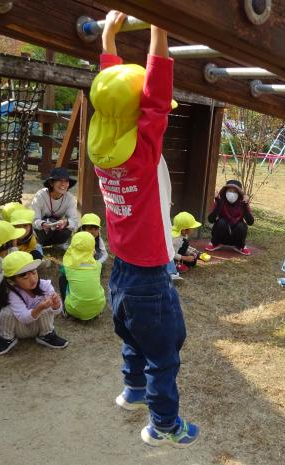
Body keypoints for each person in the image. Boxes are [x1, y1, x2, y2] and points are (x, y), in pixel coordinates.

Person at [88, 10, 199, 447]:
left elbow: (112, 94)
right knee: (166, 353)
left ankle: (133, 390)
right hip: (149, 277)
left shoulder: (105, 147)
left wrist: (108, 41)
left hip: (120, 273)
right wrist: (158, 22)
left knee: (135, 337)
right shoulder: (143, 150)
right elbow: (155, 95)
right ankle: (165, 426)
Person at [0, 251, 68, 356]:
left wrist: (56, 305)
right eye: (24, 276)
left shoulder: (45, 285)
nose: (32, 279)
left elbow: (57, 311)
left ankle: (47, 335)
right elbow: (23, 317)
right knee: (7, 311)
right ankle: (6, 338)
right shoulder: (13, 294)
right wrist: (39, 307)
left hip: (40, 327)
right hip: (19, 329)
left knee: (46, 306)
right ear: (12, 281)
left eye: (34, 272)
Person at [58, 231, 106, 320]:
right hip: (98, 308)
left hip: (74, 310)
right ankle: (94, 309)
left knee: (62, 279)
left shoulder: (67, 267)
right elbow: (86, 266)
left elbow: (76, 267)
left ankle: (66, 310)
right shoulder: (98, 265)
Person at [30, 167, 80, 248]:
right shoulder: (40, 196)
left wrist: (65, 222)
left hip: (55, 231)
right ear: (51, 183)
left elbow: (74, 221)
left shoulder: (69, 198)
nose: (63, 184)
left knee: (67, 230)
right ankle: (37, 244)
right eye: (60, 180)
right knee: (46, 224)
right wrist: (43, 224)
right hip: (40, 232)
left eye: (66, 181)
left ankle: (58, 244)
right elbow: (33, 220)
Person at [205, 179, 254, 255]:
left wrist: (245, 205)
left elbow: (250, 222)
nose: (232, 193)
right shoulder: (220, 201)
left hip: (236, 236)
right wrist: (218, 204)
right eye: (230, 191)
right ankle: (215, 243)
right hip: (222, 234)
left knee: (242, 225)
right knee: (221, 222)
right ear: (225, 191)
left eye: (235, 192)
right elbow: (211, 220)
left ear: (239, 194)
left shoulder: (242, 203)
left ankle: (240, 246)